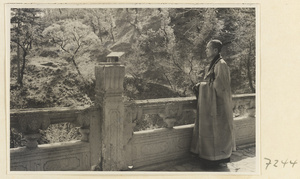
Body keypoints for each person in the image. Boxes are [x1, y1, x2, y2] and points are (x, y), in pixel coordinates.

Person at [190, 39, 236, 168]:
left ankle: (215, 160)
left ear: (215, 50)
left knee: (217, 133)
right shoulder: (213, 64)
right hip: (211, 105)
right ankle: (209, 159)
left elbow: (221, 87)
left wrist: (202, 86)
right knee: (210, 132)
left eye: (208, 48)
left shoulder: (221, 64)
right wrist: (203, 85)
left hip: (219, 106)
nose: (206, 50)